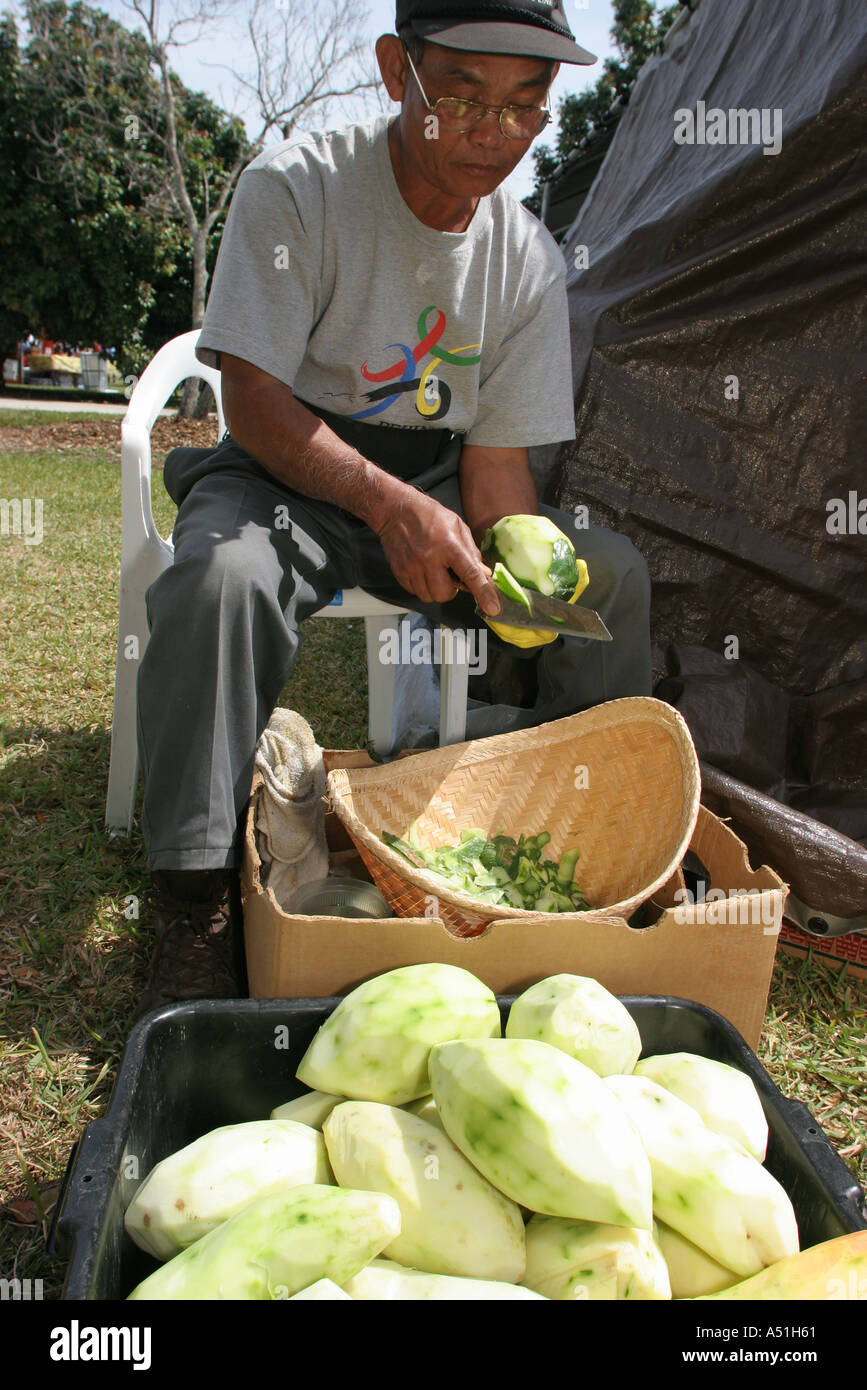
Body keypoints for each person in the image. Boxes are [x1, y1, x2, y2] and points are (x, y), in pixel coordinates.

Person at [135, 0, 652, 1012]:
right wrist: (378, 502)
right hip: (285, 470)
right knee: (220, 578)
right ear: (394, 71)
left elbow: (496, 466)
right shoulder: (300, 190)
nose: (492, 133)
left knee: (614, 578)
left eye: (524, 106)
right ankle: (190, 896)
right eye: (461, 96)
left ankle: (585, 862)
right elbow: (252, 397)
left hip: (433, 484)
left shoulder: (529, 260)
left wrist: (509, 564)